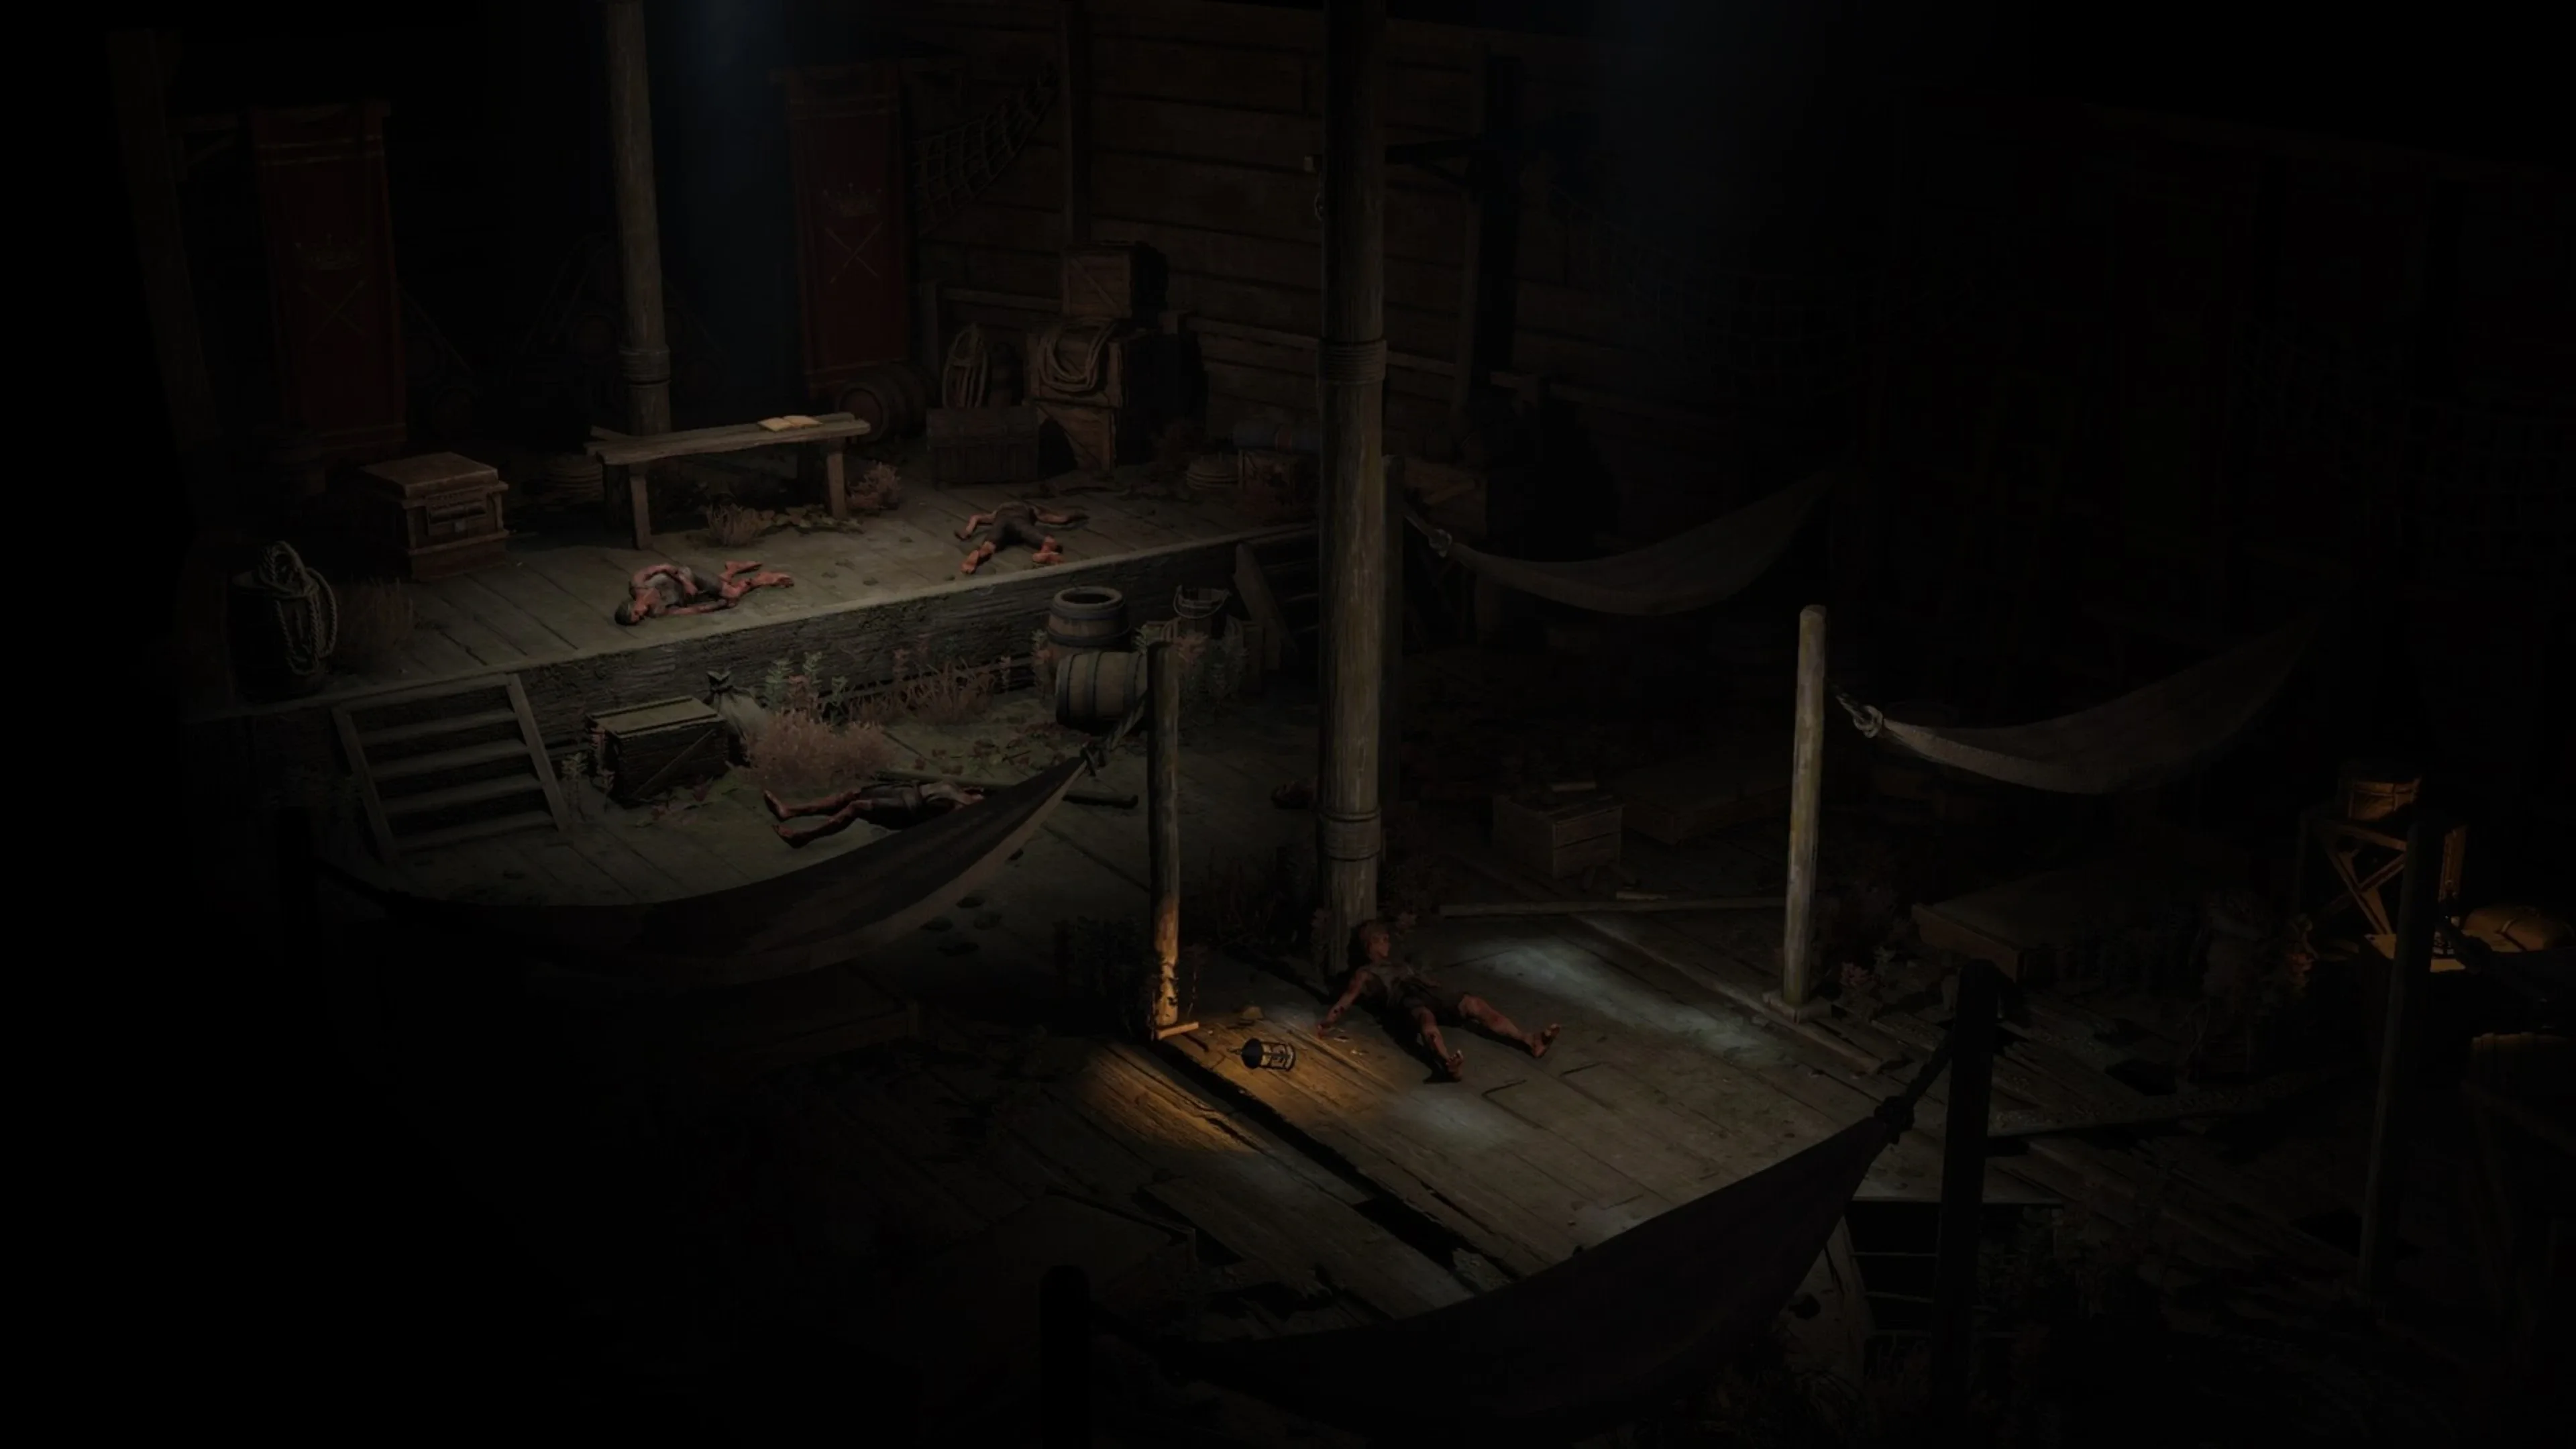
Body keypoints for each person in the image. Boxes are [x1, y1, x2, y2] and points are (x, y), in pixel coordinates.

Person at [1318, 918, 1558, 1081]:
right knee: (1426, 1020)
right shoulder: (1364, 974)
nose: (1388, 942)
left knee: (1474, 1004)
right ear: (1370, 943)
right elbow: (1346, 1000)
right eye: (1383, 939)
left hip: (1429, 992)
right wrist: (1328, 1021)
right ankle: (1447, 1063)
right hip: (1406, 998)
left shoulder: (1398, 963)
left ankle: (1530, 1040)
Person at [761, 778, 982, 847]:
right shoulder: (967, 791)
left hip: (906, 810)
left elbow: (937, 826)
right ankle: (789, 811)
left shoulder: (964, 809)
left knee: (857, 807)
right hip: (906, 790)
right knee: (851, 795)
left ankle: (804, 837)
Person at [614, 559, 794, 625]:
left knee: (732, 593)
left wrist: (685, 582)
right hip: (692, 596)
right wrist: (718, 606)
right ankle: (733, 568)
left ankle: (762, 579)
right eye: (640, 618)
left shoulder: (638, 583)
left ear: (632, 606)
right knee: (726, 597)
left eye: (637, 613)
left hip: (692, 576)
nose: (643, 615)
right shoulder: (656, 611)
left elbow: (665, 567)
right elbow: (688, 611)